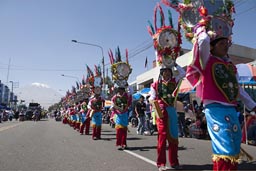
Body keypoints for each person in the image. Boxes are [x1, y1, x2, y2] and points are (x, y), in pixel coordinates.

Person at [186, 14, 256, 171]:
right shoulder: (207, 60)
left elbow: (238, 90)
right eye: (222, 43)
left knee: (233, 149)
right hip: (215, 110)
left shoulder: (231, 66)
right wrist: (201, 27)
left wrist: (253, 106)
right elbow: (203, 42)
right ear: (212, 46)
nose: (226, 46)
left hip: (231, 110)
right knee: (224, 149)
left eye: (227, 43)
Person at [147, 3, 185, 170]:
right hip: (162, 112)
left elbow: (183, 74)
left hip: (172, 112)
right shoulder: (156, 84)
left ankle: (174, 162)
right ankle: (161, 163)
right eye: (165, 73)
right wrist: (155, 105)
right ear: (162, 73)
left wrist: (174, 62)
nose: (168, 75)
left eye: (169, 72)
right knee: (162, 138)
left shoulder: (175, 81)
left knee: (174, 138)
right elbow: (152, 97)